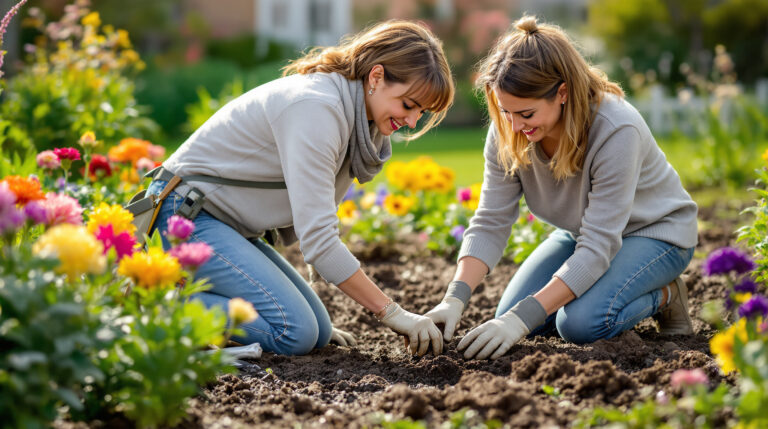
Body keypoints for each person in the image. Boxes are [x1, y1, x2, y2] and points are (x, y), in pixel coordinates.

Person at [146, 20, 454, 356]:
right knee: (295, 331)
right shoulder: (317, 109)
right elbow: (319, 242)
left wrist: (299, 304)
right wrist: (394, 313)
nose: (411, 122)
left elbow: (317, 225)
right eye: (408, 104)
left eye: (420, 112)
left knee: (316, 331)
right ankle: (154, 302)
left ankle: (181, 303)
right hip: (182, 219)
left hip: (220, 224)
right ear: (376, 77)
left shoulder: (354, 114)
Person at [425, 16, 698, 360]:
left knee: (581, 324)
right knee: (512, 316)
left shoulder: (616, 129)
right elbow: (491, 220)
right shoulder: (510, 128)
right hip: (582, 234)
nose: (514, 125)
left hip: (655, 234)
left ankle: (666, 295)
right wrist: (454, 298)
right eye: (505, 112)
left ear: (562, 93)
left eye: (525, 113)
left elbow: (599, 245)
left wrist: (520, 319)